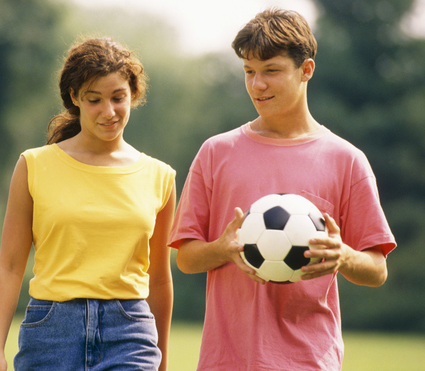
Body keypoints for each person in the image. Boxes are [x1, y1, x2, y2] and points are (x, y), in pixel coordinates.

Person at [169, 8, 396, 371]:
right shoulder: (216, 153)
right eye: (249, 71)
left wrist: (343, 256)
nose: (257, 84)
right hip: (226, 361)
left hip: (308, 360)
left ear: (306, 70)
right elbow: (187, 259)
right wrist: (223, 249)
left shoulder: (346, 160)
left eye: (271, 70)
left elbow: (377, 269)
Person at [0, 37, 176, 371]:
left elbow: (159, 278)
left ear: (133, 93)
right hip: (51, 333)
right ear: (74, 97)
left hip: (130, 334)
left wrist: (162, 360)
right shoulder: (34, 166)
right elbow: (10, 266)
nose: (109, 111)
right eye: (94, 100)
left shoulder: (160, 177)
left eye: (118, 97)